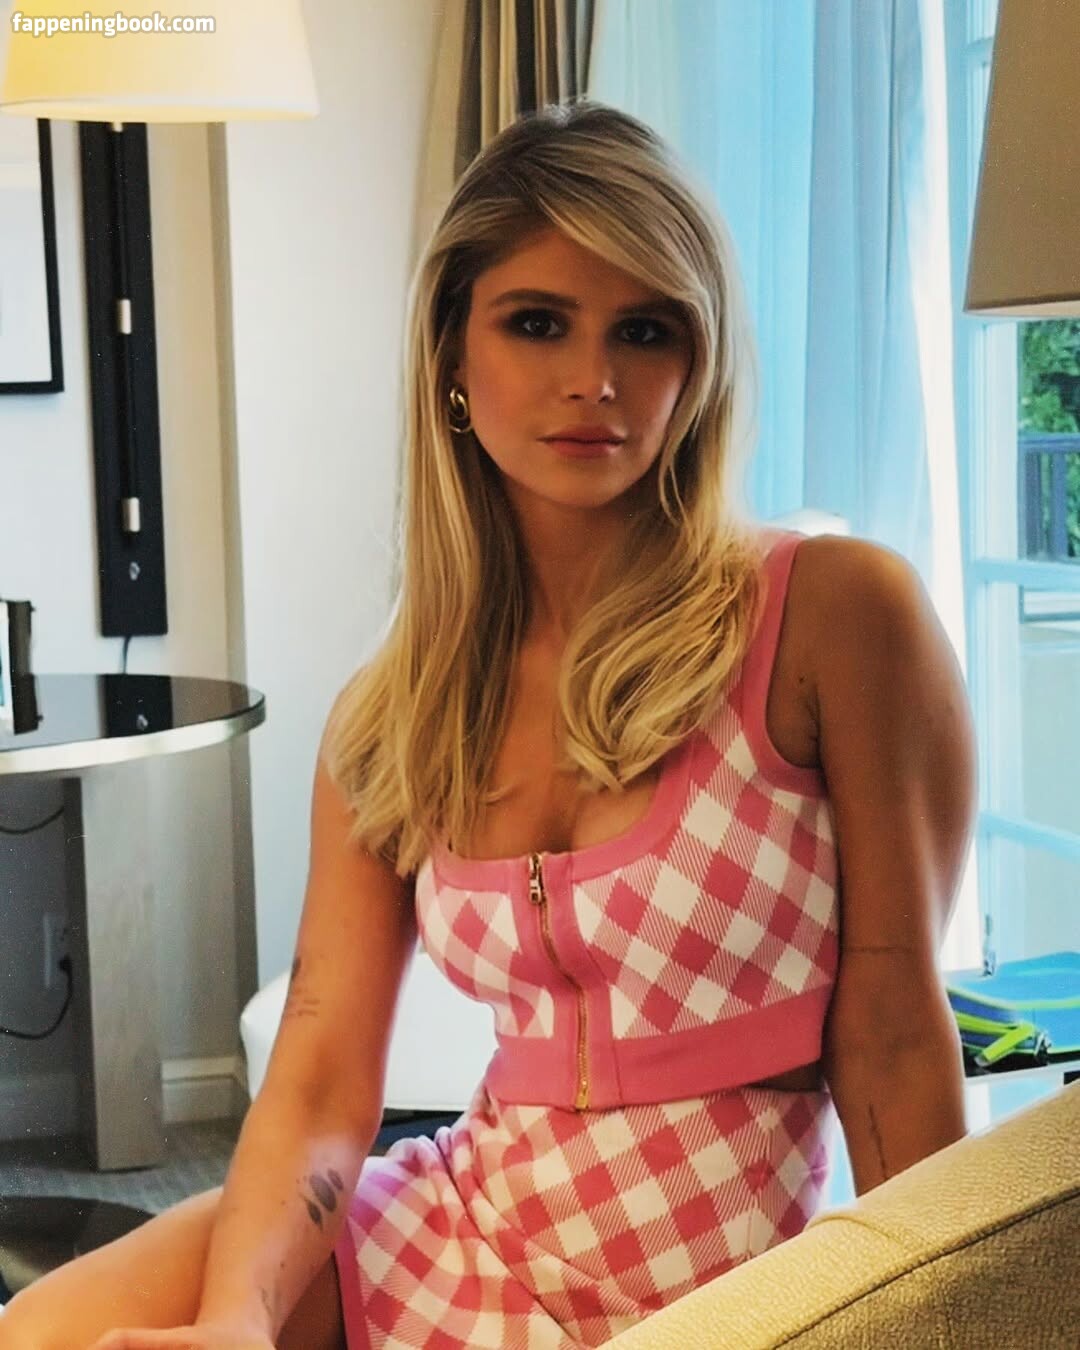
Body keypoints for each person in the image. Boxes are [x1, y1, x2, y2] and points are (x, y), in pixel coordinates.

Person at [0, 100, 977, 1350]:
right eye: (537, 322)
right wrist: (237, 1320)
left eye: (645, 330)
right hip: (459, 1229)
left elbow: (892, 1029)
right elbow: (319, 1074)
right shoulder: (396, 711)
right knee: (48, 1331)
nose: (594, 380)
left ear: (701, 362)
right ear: (454, 355)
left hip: (725, 1295)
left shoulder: (833, 617)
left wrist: (946, 1324)